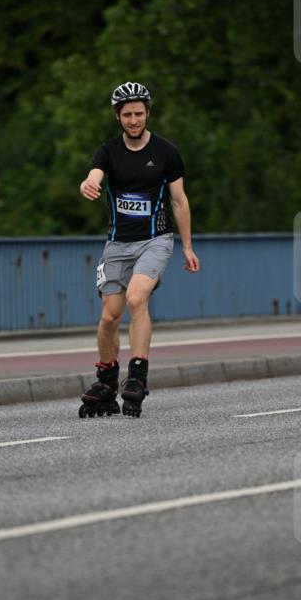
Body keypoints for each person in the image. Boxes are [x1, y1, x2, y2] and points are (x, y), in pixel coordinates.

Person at [78, 81, 200, 417]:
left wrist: (187, 247)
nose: (134, 120)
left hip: (155, 240)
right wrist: (89, 183)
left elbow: (179, 200)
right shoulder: (108, 151)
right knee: (108, 317)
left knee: (136, 299)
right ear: (118, 117)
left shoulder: (166, 152)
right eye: (127, 114)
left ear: (148, 113)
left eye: (139, 113)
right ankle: (105, 379)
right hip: (117, 244)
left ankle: (137, 375)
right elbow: (95, 174)